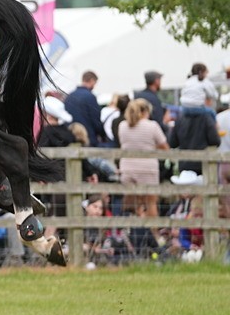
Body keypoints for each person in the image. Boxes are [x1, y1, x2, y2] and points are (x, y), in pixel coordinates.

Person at [117, 98, 169, 245]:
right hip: (147, 167)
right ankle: (153, 235)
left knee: (132, 202)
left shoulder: (122, 126)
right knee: (151, 202)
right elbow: (165, 147)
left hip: (127, 167)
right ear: (145, 111)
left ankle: (132, 233)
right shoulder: (152, 126)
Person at [64, 71, 105, 146]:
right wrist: (102, 135)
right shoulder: (90, 97)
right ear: (92, 81)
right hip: (88, 139)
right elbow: (96, 120)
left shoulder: (69, 96)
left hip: (72, 137)